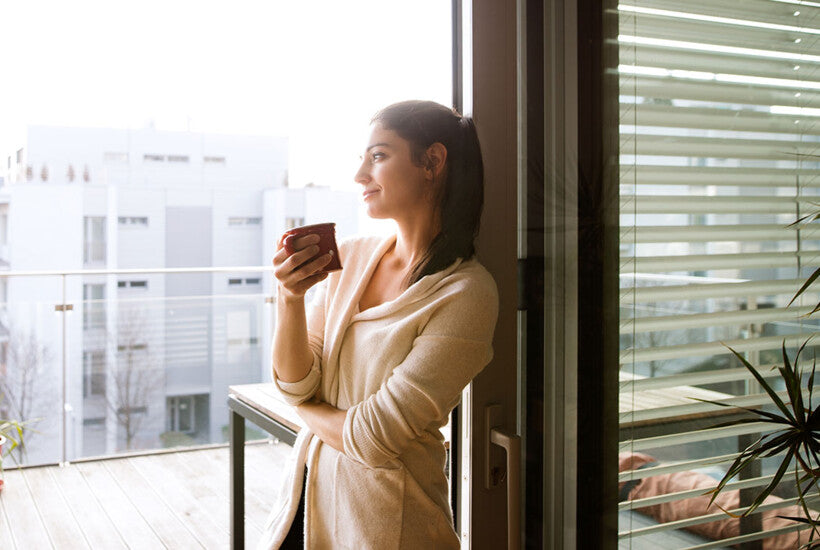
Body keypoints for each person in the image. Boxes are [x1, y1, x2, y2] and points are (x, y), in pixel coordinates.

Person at [259, 100, 499, 549]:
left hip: (391, 526)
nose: (359, 175)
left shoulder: (466, 294)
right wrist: (290, 299)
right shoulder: (350, 257)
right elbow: (294, 383)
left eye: (379, 156)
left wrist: (305, 411)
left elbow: (372, 438)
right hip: (306, 506)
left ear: (432, 162)